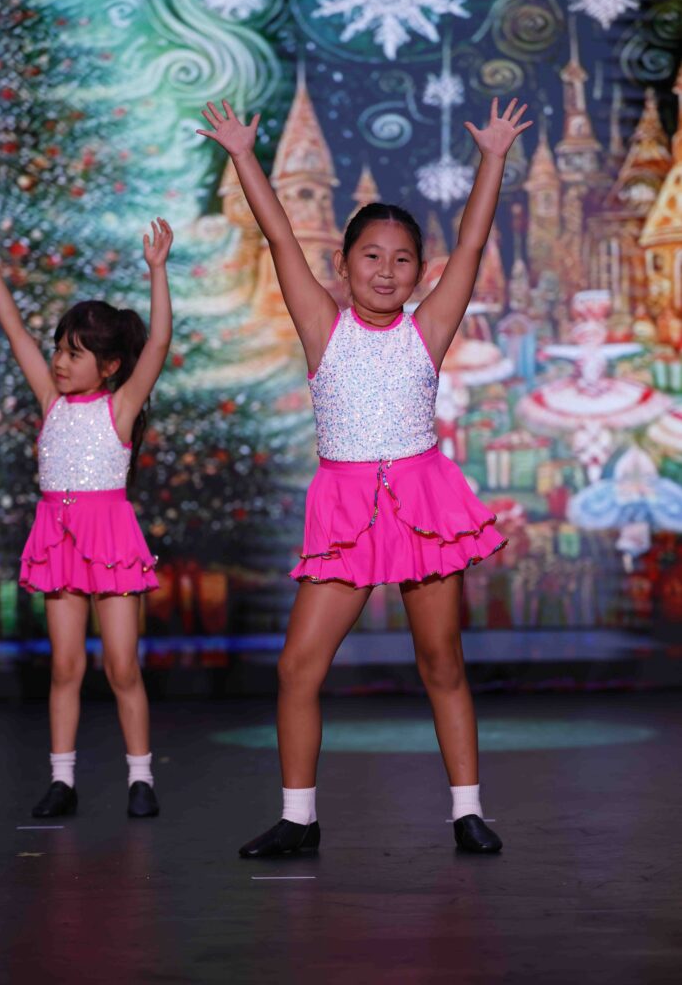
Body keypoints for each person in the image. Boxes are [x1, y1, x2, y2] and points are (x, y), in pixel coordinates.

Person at [197, 96, 531, 856]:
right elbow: (281, 235)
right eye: (371, 257)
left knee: (440, 661)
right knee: (297, 666)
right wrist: (244, 155)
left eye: (402, 259)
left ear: (419, 273)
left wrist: (491, 159)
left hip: (423, 504)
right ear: (342, 266)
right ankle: (298, 818)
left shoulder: (428, 328)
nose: (386, 270)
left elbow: (473, 244)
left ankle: (467, 811)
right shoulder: (323, 326)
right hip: (346, 511)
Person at [0, 219, 174, 819]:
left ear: (109, 366)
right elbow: (12, 327)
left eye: (74, 354)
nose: (58, 361)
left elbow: (158, 344)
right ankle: (62, 779)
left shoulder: (119, 408)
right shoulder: (51, 403)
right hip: (58, 541)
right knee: (65, 666)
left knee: (121, 665)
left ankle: (140, 777)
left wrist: (157, 271)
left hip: (111, 541)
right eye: (58, 350)